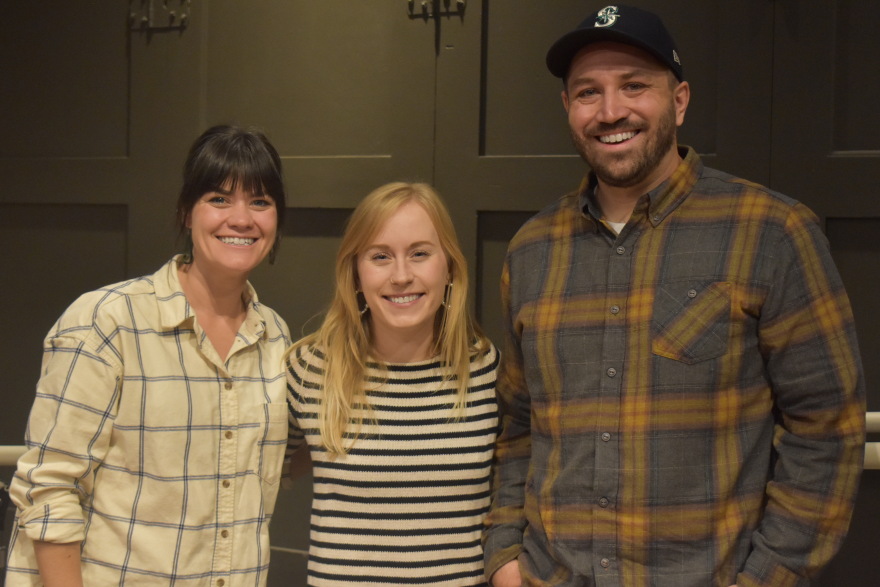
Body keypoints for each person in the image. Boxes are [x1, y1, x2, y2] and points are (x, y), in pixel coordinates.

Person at [482, 5, 866, 587]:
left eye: (634, 86)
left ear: (680, 100)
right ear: (568, 108)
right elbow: (517, 426)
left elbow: (827, 428)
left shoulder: (770, 232)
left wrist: (768, 575)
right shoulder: (532, 250)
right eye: (588, 92)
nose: (611, 111)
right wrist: (506, 557)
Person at [6, 125, 292, 587]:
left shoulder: (274, 337)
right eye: (219, 199)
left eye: (260, 202)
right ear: (186, 212)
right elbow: (50, 490)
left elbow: (265, 467)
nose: (242, 219)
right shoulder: (107, 321)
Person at [285, 182, 500, 586]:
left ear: (450, 265)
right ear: (355, 271)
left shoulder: (487, 372)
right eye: (380, 257)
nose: (402, 276)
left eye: (420, 253)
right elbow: (251, 477)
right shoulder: (311, 370)